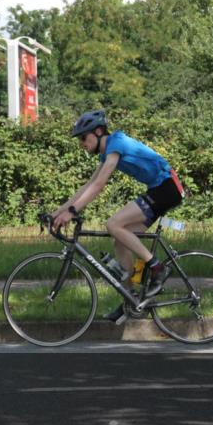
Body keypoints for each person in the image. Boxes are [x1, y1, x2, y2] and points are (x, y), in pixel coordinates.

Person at [51, 110, 185, 324]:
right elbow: (87, 186)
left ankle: (157, 267)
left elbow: (99, 185)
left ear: (98, 131)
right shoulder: (107, 153)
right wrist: (59, 211)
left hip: (167, 188)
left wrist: (72, 212)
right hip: (159, 189)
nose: (82, 144)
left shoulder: (116, 143)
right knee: (120, 240)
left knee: (113, 223)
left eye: (84, 138)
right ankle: (129, 302)